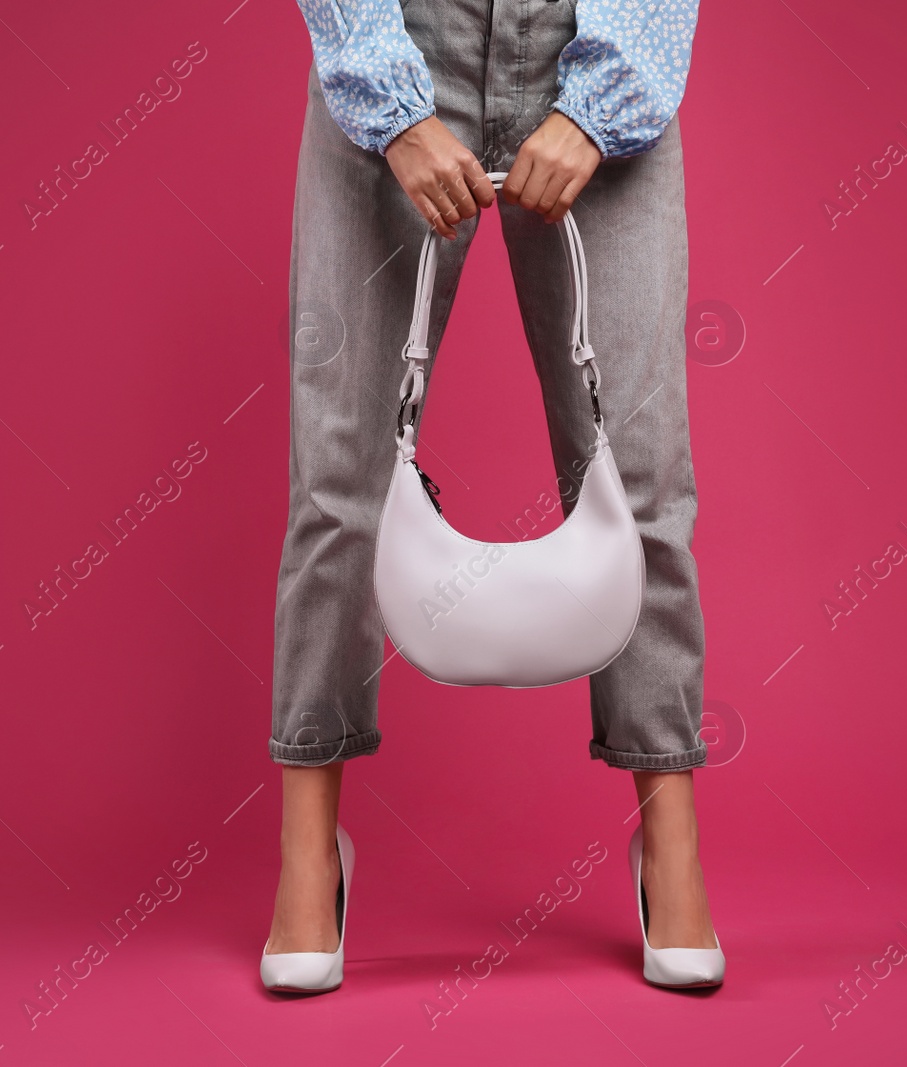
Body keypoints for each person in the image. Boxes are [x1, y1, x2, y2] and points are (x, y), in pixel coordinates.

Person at [262, 0, 722, 993]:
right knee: (340, 480)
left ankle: (669, 845)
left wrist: (606, 97)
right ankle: (308, 855)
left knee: (639, 473)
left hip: (596, 37)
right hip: (399, 37)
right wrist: (386, 99)